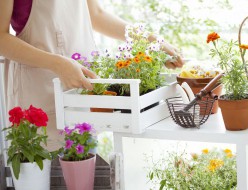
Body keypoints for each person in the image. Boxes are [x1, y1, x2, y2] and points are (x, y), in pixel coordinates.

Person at [0, 0, 184, 151]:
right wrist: (57, 63)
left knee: (83, 171)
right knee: (41, 172)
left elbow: (96, 15)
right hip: (37, 89)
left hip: (83, 89)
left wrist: (150, 40)